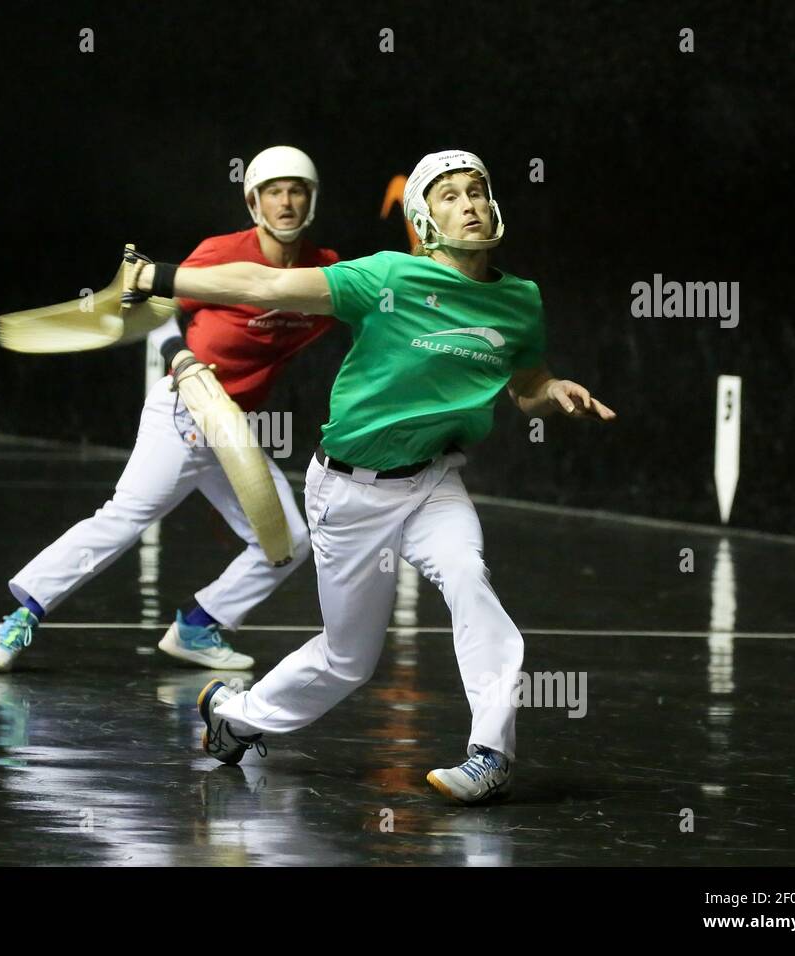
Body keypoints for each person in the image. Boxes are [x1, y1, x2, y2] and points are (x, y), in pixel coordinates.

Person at [125, 149, 616, 804]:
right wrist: (162, 276)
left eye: (478, 192)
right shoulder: (386, 278)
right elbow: (265, 287)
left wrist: (551, 390)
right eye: (450, 197)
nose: (469, 205)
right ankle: (235, 717)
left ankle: (491, 753)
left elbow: (522, 382)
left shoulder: (521, 300)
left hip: (433, 481)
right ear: (424, 217)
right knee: (349, 660)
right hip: (349, 491)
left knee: (470, 578)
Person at [0, 147, 341, 672]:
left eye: (296, 191)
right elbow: (157, 310)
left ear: (311, 201)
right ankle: (23, 614)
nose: (285, 202)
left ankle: (197, 627)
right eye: (273, 192)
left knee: (286, 540)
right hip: (183, 414)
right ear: (254, 201)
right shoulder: (221, 253)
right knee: (126, 518)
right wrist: (181, 356)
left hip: (235, 428)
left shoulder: (324, 269)